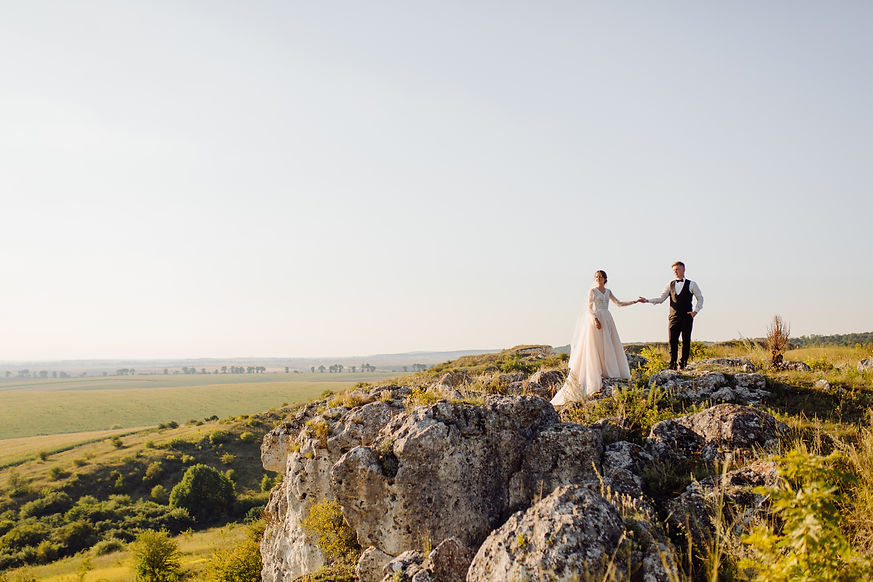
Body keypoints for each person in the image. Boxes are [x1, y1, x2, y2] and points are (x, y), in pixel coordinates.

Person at [551, 270, 642, 405]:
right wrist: (595, 319)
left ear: (605, 278)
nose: (598, 279)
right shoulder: (592, 291)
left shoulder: (608, 291)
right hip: (597, 318)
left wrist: (635, 301)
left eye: (600, 277)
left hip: (607, 318)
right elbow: (589, 307)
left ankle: (608, 370)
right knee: (597, 345)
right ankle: (596, 372)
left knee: (609, 344)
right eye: (596, 277)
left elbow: (618, 303)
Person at [638, 261, 704, 370]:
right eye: (674, 270)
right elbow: (661, 299)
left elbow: (700, 298)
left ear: (683, 269)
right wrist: (647, 300)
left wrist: (695, 311)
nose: (676, 272)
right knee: (672, 340)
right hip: (673, 317)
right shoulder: (670, 284)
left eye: (677, 269)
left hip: (687, 317)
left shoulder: (692, 284)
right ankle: (672, 364)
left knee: (686, 340)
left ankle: (683, 363)